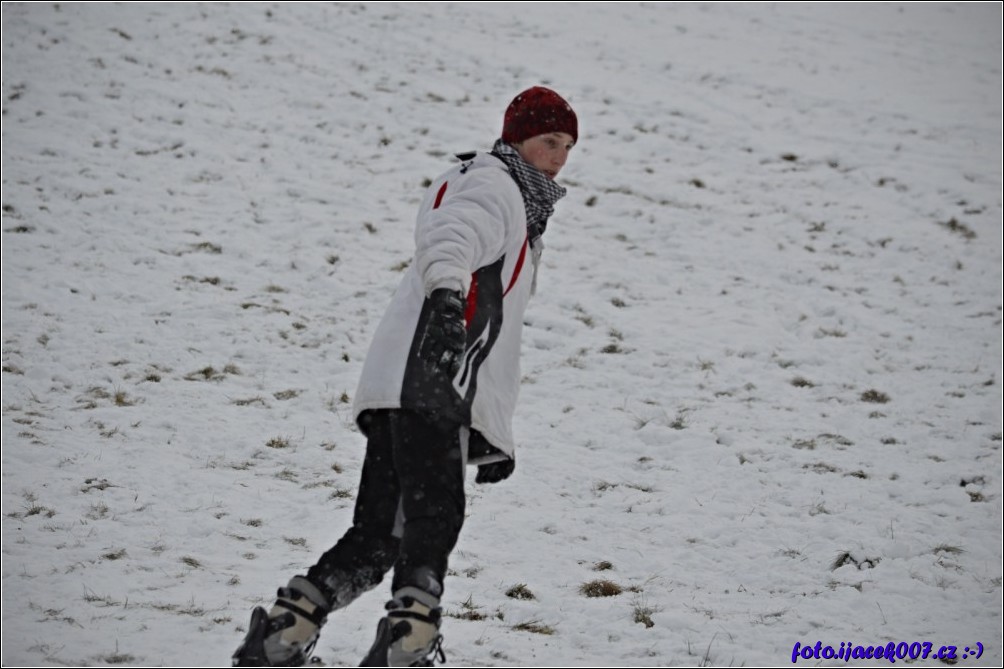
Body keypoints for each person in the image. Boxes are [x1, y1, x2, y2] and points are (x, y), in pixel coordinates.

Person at [232, 86, 578, 668]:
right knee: (434, 515)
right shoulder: (495, 185)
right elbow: (451, 238)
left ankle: (282, 635)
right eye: (549, 141)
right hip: (433, 377)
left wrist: (492, 428)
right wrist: (447, 299)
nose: (560, 156)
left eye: (569, 145)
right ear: (518, 138)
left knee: (378, 533)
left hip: (414, 380)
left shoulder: (507, 196)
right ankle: (408, 646)